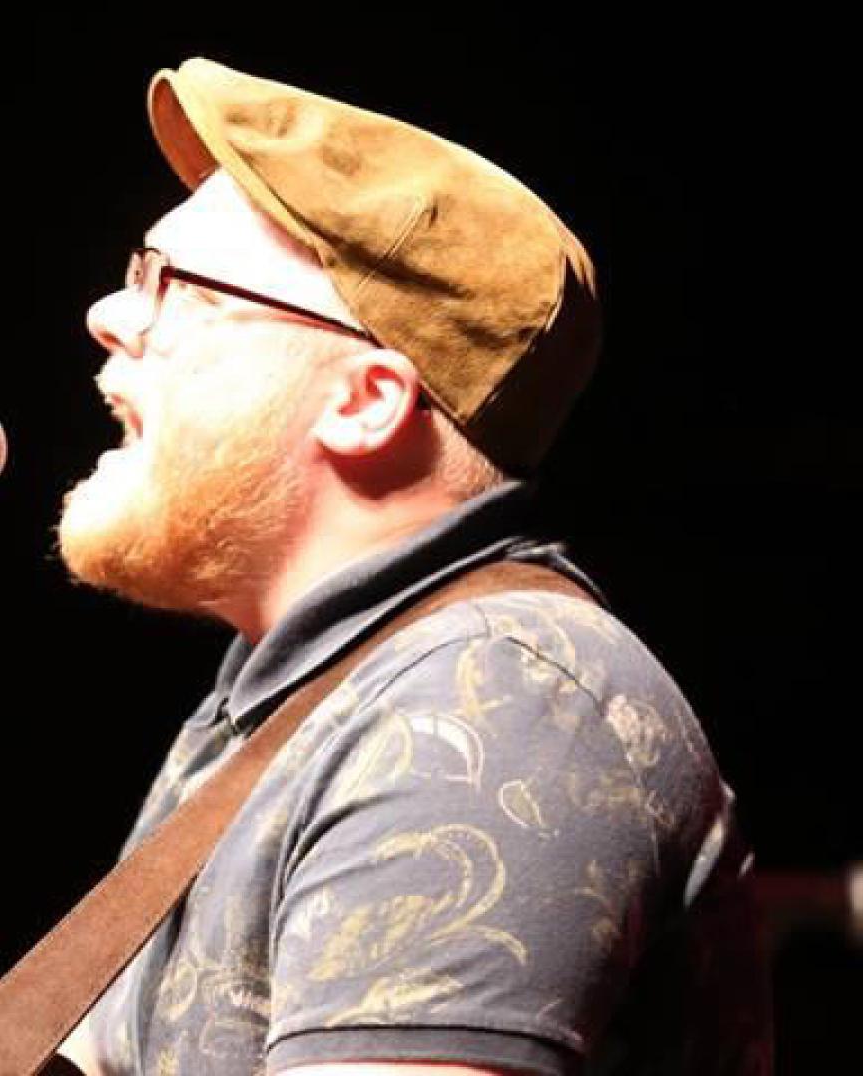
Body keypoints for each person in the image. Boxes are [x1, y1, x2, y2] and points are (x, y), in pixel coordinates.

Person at [53, 59, 772, 1076]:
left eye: (174, 288)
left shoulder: (497, 708)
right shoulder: (295, 698)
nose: (112, 316)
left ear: (365, 401)